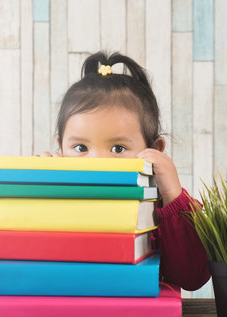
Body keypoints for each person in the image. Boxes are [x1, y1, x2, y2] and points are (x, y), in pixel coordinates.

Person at [38, 51, 210, 291]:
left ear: (154, 150)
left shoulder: (163, 207)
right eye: (81, 147)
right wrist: (39, 189)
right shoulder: (57, 191)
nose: (98, 162)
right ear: (60, 148)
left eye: (118, 148)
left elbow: (192, 277)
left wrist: (172, 195)